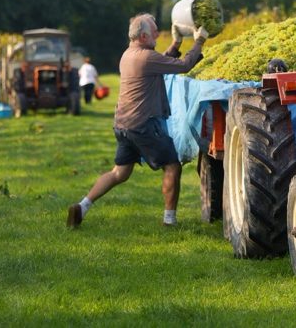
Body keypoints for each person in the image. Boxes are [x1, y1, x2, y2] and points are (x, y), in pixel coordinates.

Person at [67, 13, 208, 228]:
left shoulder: (129, 55)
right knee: (172, 166)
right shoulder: (147, 58)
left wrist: (176, 43)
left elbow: (161, 62)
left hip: (123, 125)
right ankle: (169, 220)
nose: (157, 35)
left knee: (119, 172)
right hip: (143, 125)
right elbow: (184, 65)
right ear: (143, 36)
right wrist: (199, 41)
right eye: (154, 32)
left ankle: (82, 206)